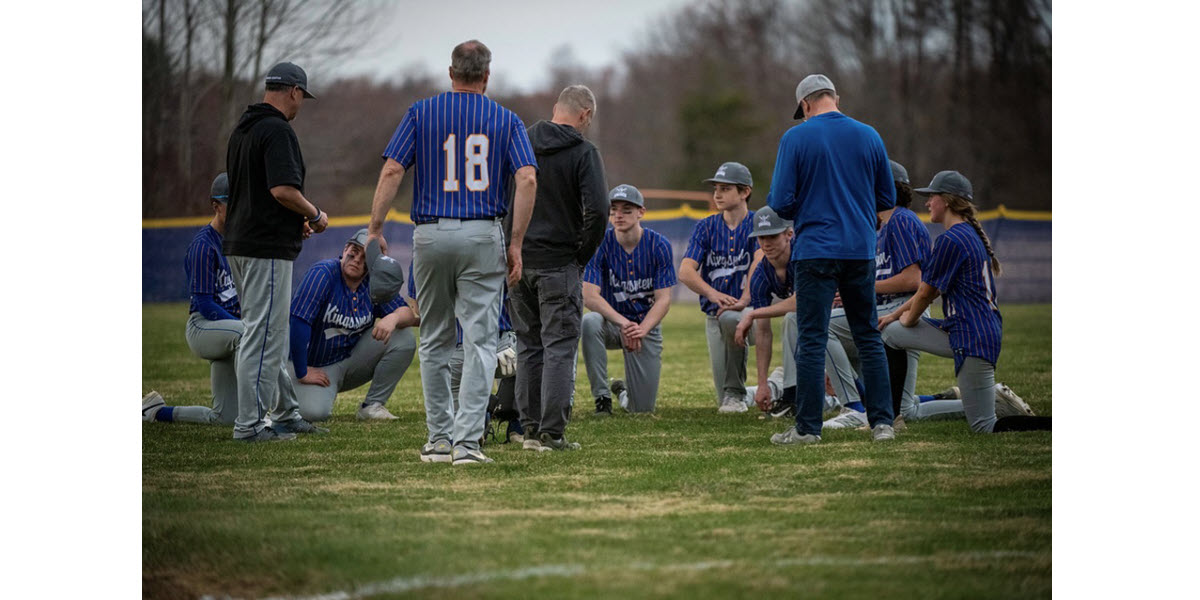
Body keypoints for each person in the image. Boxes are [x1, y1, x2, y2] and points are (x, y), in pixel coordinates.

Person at [366, 40, 538, 465]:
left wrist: (374, 227)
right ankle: (466, 443)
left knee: (436, 340)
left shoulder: (421, 113)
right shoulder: (506, 118)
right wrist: (515, 242)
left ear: (450, 72)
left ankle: (439, 439)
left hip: (430, 234)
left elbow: (391, 168)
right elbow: (528, 178)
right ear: (486, 75)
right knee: (480, 343)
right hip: (482, 233)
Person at [766, 73, 896, 445]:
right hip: (859, 249)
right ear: (835, 97)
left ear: (805, 105)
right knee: (868, 335)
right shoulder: (869, 135)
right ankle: (883, 423)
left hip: (816, 250)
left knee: (811, 338)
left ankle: (808, 429)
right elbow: (886, 197)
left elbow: (779, 202)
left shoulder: (796, 137)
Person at [878, 171, 1047, 433]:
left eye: (932, 196)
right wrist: (893, 316)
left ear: (946, 201)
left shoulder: (952, 238)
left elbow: (926, 294)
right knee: (891, 333)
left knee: (984, 425)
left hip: (972, 336)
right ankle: (895, 417)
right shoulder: (964, 233)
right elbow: (926, 289)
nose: (927, 202)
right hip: (967, 330)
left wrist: (909, 319)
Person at [224, 62, 330, 442]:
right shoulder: (277, 129)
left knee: (268, 332)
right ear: (295, 92)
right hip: (263, 248)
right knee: (264, 336)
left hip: (241, 242)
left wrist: (291, 222)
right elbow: (282, 190)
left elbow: (257, 195)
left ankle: (285, 413)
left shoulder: (244, 129)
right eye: (303, 97)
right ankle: (249, 426)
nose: (301, 103)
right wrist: (314, 214)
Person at [508, 84, 609, 452]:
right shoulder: (584, 152)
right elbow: (599, 210)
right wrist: (580, 255)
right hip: (559, 263)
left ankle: (530, 429)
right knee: (559, 347)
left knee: (528, 346)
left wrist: (511, 248)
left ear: (555, 108)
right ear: (584, 115)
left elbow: (505, 199)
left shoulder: (519, 143)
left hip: (519, 262)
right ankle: (552, 433)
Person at [820, 160, 946, 429]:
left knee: (824, 325)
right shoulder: (883, 225)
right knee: (906, 410)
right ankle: (990, 398)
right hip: (892, 309)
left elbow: (914, 279)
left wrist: (861, 289)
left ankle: (854, 406)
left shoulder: (900, 220)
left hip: (903, 309)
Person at [286, 229, 417, 422]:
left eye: (365, 257)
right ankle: (285, 389)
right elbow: (298, 321)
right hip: (312, 364)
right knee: (313, 413)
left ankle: (371, 406)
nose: (356, 259)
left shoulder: (373, 283)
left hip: (347, 362)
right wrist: (301, 371)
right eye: (354, 251)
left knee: (404, 338)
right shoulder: (323, 273)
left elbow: (410, 315)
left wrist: (393, 318)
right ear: (345, 248)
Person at [143, 173, 242, 425]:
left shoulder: (239, 242)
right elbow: (206, 305)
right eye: (232, 202)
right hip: (204, 327)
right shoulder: (203, 246)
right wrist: (243, 324)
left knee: (225, 418)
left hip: (229, 329)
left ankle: (155, 412)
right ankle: (269, 414)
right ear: (215, 206)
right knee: (249, 333)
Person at [581, 185, 676, 415]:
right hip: (613, 324)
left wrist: (641, 329)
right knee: (590, 321)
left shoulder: (659, 244)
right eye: (613, 210)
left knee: (641, 410)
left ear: (641, 212)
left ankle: (623, 393)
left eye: (626, 209)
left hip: (645, 326)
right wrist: (624, 323)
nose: (618, 215)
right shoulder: (599, 243)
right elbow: (589, 295)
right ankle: (602, 398)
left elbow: (664, 300)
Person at [678, 162, 760, 413]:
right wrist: (713, 294)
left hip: (755, 313)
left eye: (725, 188)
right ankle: (773, 387)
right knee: (722, 395)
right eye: (716, 188)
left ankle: (738, 393)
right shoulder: (706, 226)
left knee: (731, 394)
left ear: (745, 192)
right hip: (715, 315)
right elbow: (685, 271)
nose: (717, 194)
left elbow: (759, 259)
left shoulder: (758, 221)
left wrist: (745, 298)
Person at [732, 207, 799, 418]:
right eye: (761, 237)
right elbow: (763, 332)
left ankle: (792, 394)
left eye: (772, 236)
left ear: (789, 234)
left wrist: (752, 314)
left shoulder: (802, 256)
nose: (766, 243)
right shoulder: (761, 273)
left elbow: (804, 302)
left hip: (840, 315)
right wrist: (762, 385)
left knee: (792, 319)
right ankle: (782, 387)